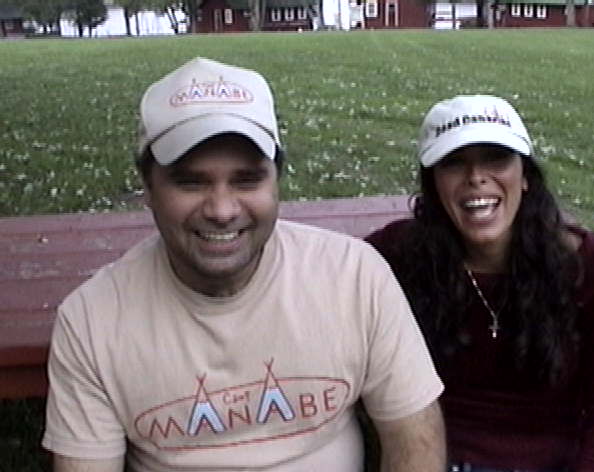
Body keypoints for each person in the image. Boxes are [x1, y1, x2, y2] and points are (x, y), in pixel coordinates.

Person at [41, 57, 446, 471]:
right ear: (147, 187)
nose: (222, 210)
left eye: (247, 180)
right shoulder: (92, 320)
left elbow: (415, 440)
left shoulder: (354, 277)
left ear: (277, 180)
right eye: (191, 182)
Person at [366, 95, 594, 471]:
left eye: (496, 158)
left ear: (525, 177)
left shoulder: (593, 268)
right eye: (454, 162)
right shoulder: (396, 255)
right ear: (433, 183)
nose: (476, 177)